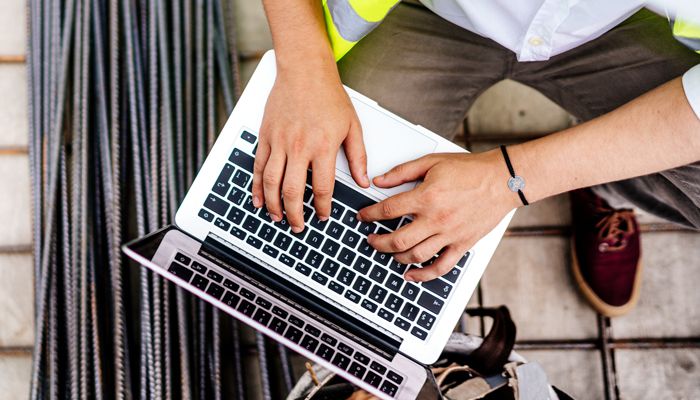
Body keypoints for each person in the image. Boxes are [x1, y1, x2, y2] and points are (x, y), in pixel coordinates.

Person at [253, 0, 700, 317]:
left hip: (619, 21)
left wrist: (513, 178)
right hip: (429, 11)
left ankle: (595, 175)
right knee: (325, 205)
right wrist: (304, 70)